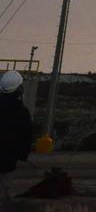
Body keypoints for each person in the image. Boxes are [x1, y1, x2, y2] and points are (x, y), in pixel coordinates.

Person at [0, 70, 32, 209]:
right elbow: (25, 137)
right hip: (7, 163)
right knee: (3, 195)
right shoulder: (21, 112)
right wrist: (23, 155)